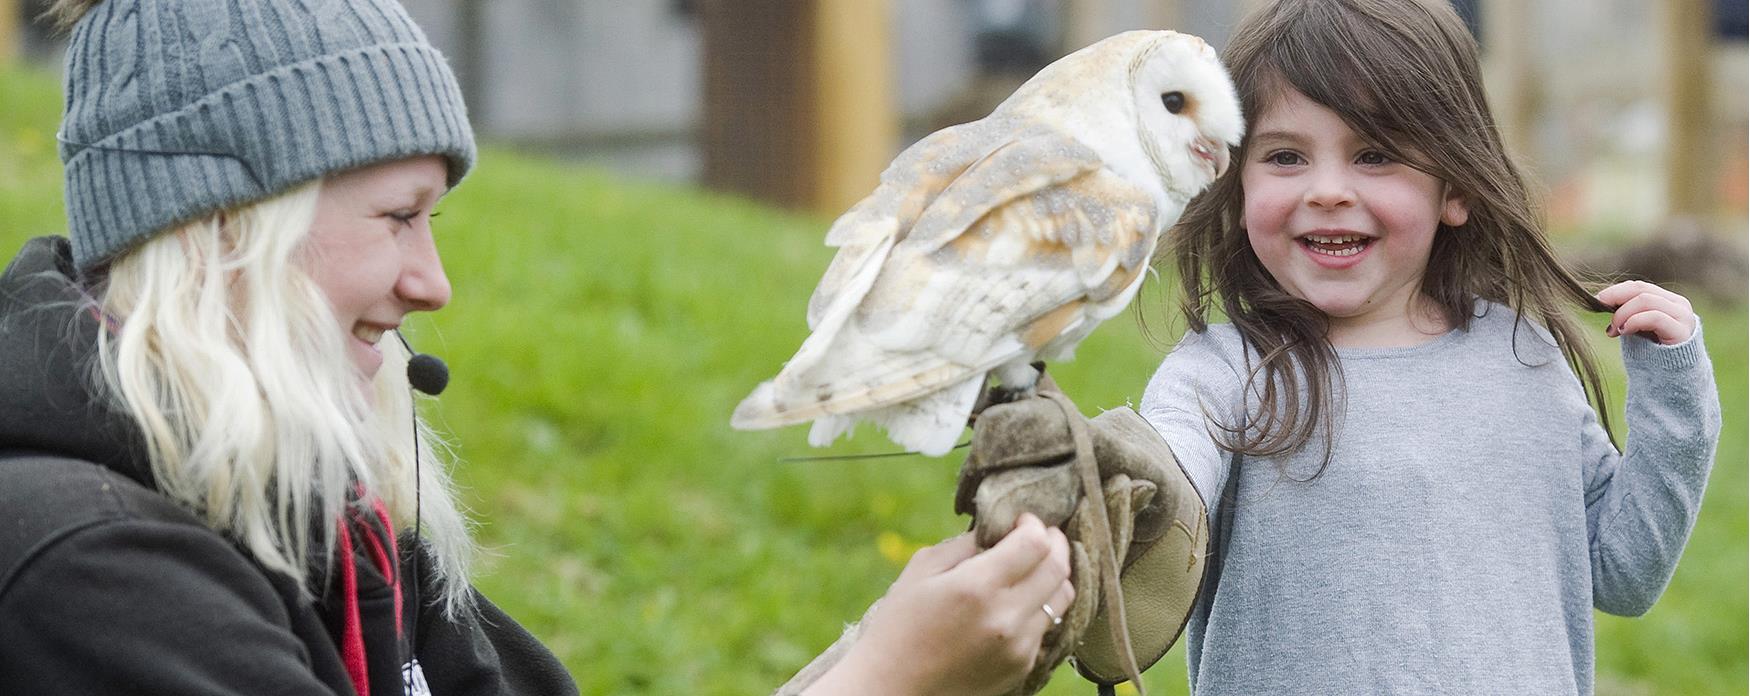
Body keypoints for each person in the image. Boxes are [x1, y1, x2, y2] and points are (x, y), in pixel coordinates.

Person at [0, 1, 1071, 695]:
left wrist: (903, 645)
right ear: (229, 227)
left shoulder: (322, 518)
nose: (433, 284)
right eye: (396, 217)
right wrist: (886, 681)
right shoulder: (85, 566)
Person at [1142, 0, 1722, 693]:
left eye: (1375, 154)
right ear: (1235, 183)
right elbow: (1158, 491)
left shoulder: (1520, 358)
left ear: (1456, 187)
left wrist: (1674, 391)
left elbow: (1624, 572)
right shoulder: (1220, 377)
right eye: (1285, 156)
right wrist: (1122, 494)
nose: (1328, 190)